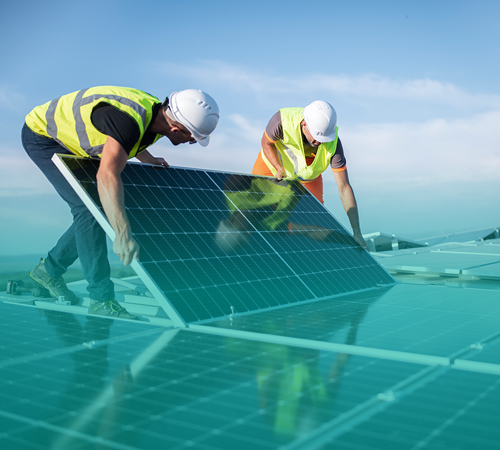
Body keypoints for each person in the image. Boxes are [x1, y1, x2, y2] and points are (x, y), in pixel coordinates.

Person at [22, 86, 220, 319]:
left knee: (103, 207)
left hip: (72, 140)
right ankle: (101, 299)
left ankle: (49, 270)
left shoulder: (159, 115)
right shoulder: (129, 120)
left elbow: (126, 138)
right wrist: (122, 234)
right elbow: (107, 173)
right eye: (193, 136)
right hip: (44, 136)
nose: (193, 142)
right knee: (89, 209)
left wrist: (147, 157)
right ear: (176, 127)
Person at [251, 100, 368, 250]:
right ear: (304, 124)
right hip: (272, 168)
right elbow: (266, 143)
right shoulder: (282, 120)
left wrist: (357, 232)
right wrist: (278, 168)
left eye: (323, 139)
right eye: (316, 137)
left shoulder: (334, 144)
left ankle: (302, 255)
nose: (319, 142)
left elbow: (344, 188)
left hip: (308, 177)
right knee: (256, 214)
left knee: (315, 221)